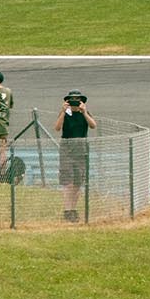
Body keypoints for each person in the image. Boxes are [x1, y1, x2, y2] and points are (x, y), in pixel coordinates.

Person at [57, 90, 96, 221]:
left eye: (77, 99)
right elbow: (57, 127)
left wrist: (84, 112)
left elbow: (93, 125)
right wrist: (63, 111)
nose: (74, 102)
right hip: (67, 150)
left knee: (78, 182)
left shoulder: (84, 113)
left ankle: (73, 209)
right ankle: (67, 210)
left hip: (81, 149)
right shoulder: (65, 113)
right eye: (72, 99)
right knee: (68, 181)